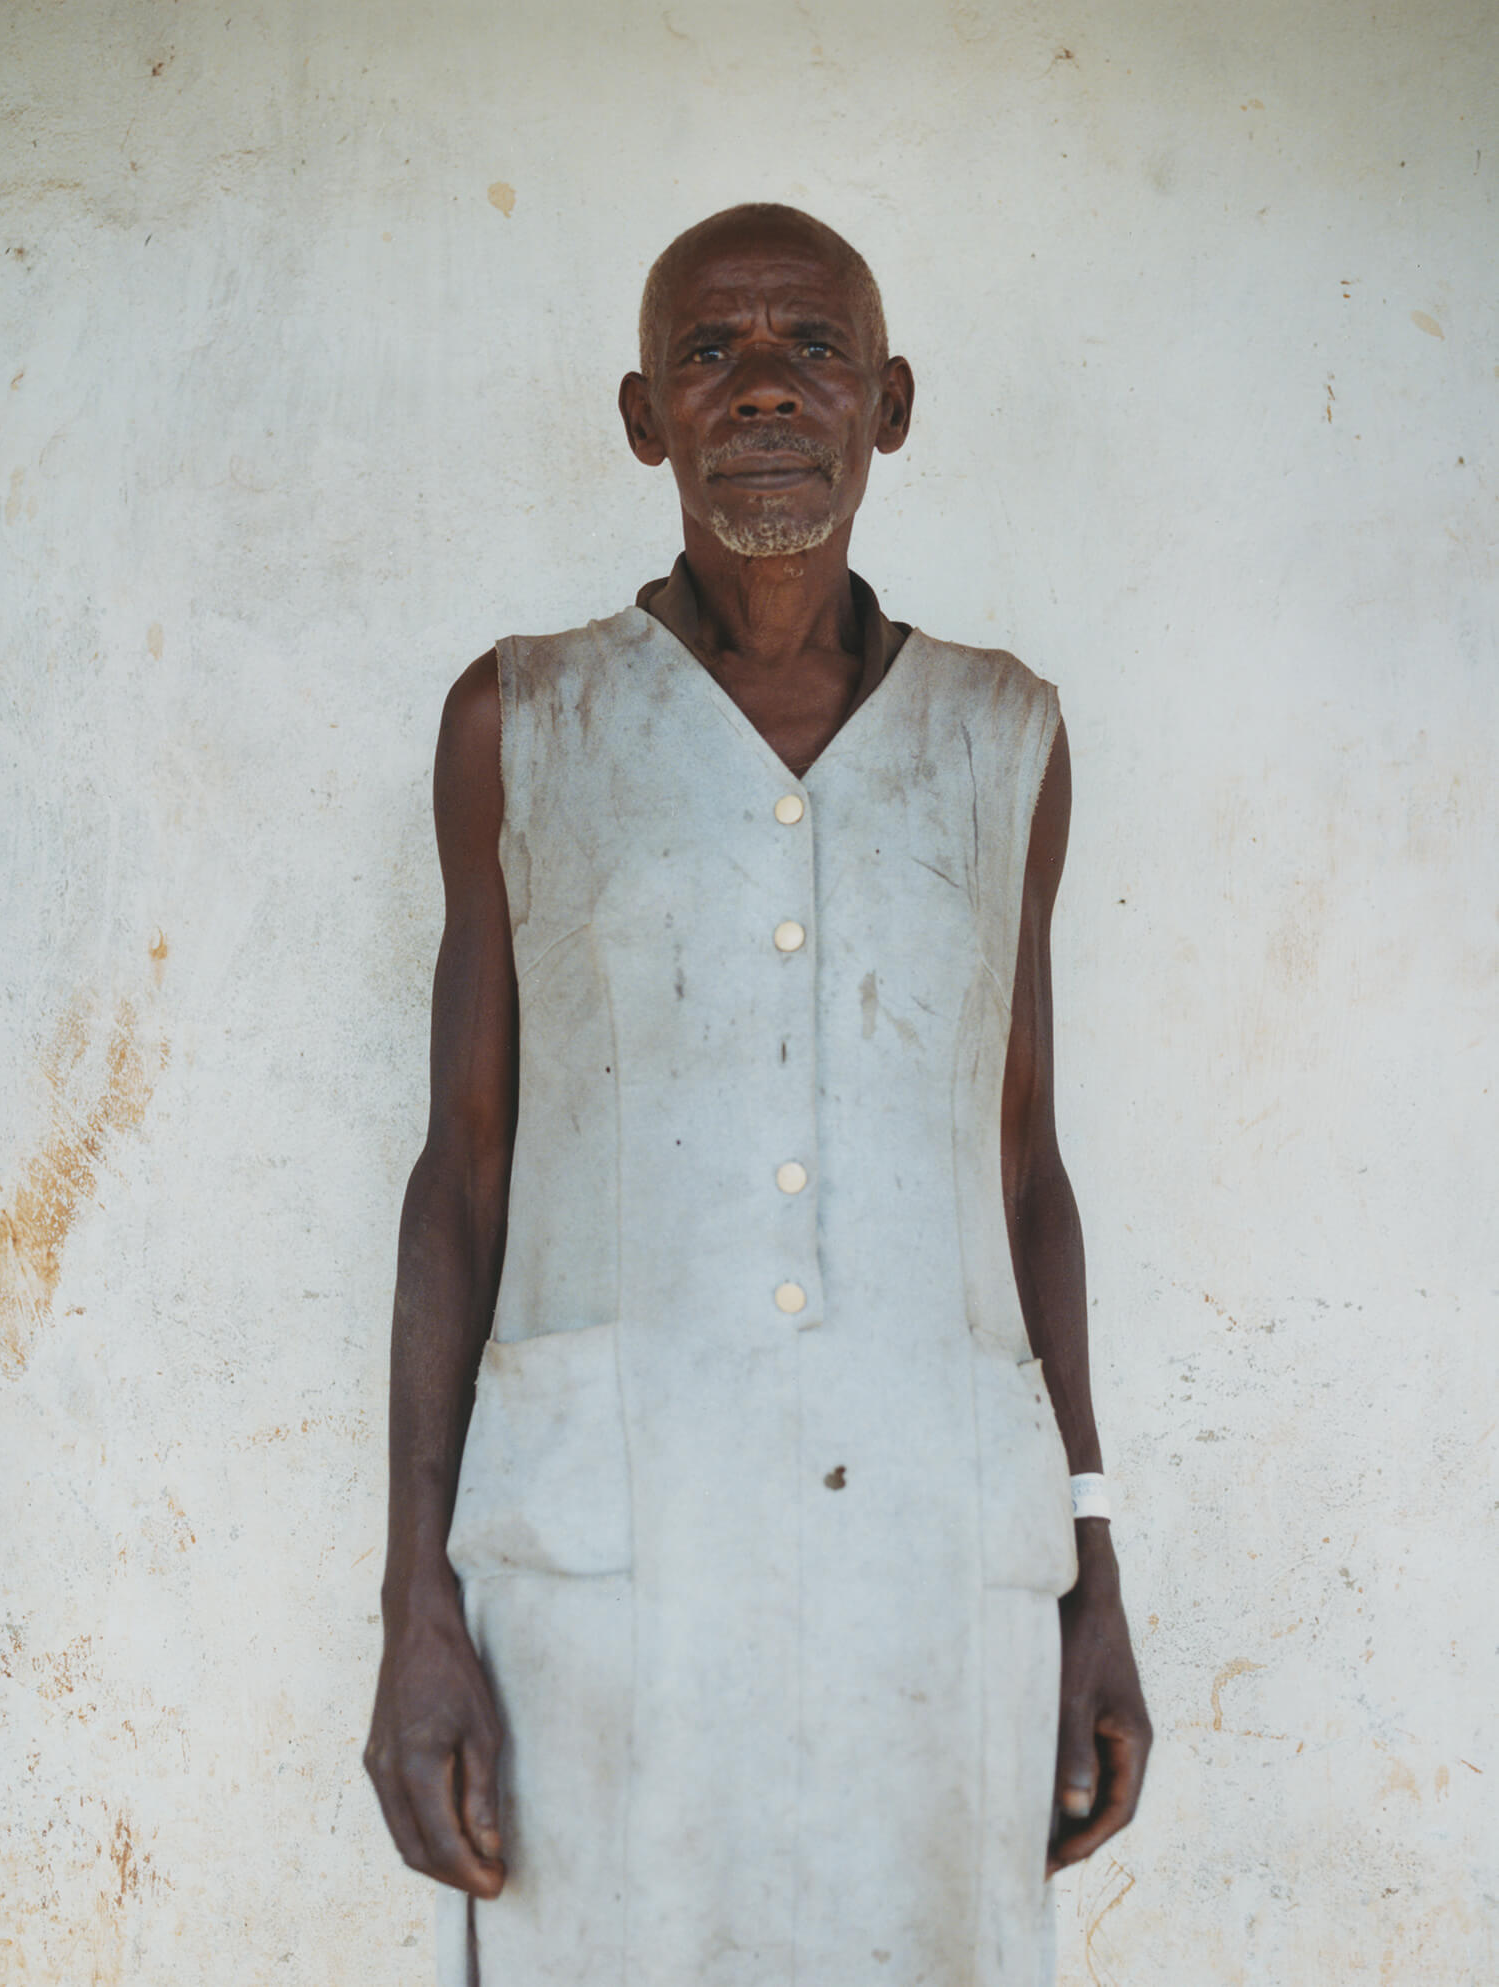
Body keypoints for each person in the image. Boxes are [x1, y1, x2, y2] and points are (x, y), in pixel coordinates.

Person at [364, 201, 1152, 1987]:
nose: (767, 391)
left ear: (891, 401)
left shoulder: (999, 736)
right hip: (603, 1572)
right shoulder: (525, 721)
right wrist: (418, 1600)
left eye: (813, 349)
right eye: (713, 354)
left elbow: (1026, 1174)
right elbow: (461, 1178)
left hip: (940, 1564)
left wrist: (1093, 1568)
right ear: (646, 416)